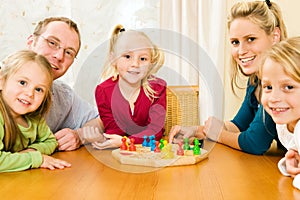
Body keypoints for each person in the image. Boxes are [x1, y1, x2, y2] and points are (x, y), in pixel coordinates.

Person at [168, 0, 287, 155]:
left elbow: (255, 142)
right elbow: (238, 125)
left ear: (274, 36)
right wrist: (196, 131)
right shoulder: (256, 81)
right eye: (235, 42)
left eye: (251, 39)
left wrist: (217, 134)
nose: (241, 51)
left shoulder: (280, 80)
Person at [27, 17, 102, 151]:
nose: (59, 56)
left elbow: (101, 120)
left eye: (68, 52)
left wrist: (80, 135)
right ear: (31, 42)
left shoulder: (64, 96)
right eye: (52, 43)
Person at [90, 25, 166, 149]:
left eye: (143, 59)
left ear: (150, 64)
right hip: (121, 153)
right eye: (127, 56)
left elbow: (156, 131)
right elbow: (113, 131)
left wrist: (126, 141)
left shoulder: (158, 88)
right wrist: (103, 138)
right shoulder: (103, 91)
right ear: (113, 59)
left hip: (149, 151)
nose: (135, 64)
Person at [0, 50, 71, 172]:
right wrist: (37, 158)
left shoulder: (34, 119)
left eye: (38, 89)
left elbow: (51, 141)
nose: (29, 93)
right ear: (1, 81)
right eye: (22, 83)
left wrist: (31, 151)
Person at [260, 36, 300, 189]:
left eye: (288, 87)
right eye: (268, 87)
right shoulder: (283, 123)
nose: (274, 98)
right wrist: (291, 163)